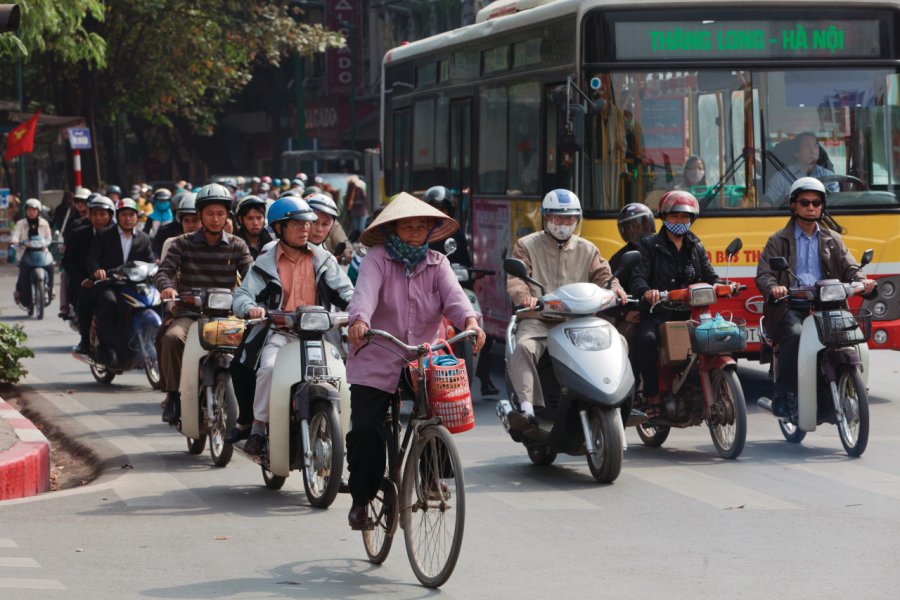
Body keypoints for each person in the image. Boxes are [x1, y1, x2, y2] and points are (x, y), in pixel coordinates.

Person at [344, 192, 485, 529]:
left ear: (429, 230)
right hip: (378, 353)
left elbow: (455, 299)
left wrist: (470, 321)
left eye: (420, 227)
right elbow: (364, 295)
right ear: (393, 230)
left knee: (440, 409)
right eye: (406, 227)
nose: (414, 233)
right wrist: (360, 321)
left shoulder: (438, 263)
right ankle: (361, 499)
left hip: (423, 357)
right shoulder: (376, 259)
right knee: (366, 429)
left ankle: (432, 476)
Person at [230, 196, 354, 454]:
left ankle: (341, 442)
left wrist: (358, 310)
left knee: (343, 377)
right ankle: (258, 427)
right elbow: (242, 295)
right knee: (268, 369)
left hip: (319, 335)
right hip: (279, 333)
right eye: (297, 224)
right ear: (279, 228)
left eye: (307, 224)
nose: (306, 229)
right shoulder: (265, 261)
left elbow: (347, 291)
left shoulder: (324, 259)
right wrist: (250, 307)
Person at [755, 177, 876, 416]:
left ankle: (844, 386)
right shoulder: (778, 240)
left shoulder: (833, 238)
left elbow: (850, 266)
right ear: (793, 205)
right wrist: (774, 288)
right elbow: (764, 274)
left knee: (849, 337)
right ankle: (785, 395)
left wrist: (863, 281)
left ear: (822, 205)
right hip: (791, 305)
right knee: (796, 336)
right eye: (805, 202)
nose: (811, 207)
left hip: (828, 303)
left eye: (816, 202)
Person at [506, 189, 626, 425]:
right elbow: (516, 278)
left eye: (569, 218)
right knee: (523, 346)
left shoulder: (588, 249)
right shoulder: (526, 245)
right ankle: (528, 408)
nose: (563, 224)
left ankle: (616, 398)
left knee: (618, 341)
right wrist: (525, 298)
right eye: (557, 218)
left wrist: (616, 288)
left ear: (576, 220)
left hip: (579, 321)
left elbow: (604, 275)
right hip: (540, 318)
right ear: (546, 218)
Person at [155, 183, 254, 424]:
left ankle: (251, 408)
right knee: (171, 338)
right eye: (209, 213)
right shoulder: (182, 243)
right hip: (190, 313)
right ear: (199, 215)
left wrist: (256, 298)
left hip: (226, 316)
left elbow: (253, 276)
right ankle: (173, 396)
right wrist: (167, 287)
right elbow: (164, 272)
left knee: (255, 343)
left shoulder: (238, 245)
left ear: (227, 216)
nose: (215, 218)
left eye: (220, 213)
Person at [630, 190, 720, 415]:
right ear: (664, 217)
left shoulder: (696, 246)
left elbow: (710, 274)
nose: (680, 221)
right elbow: (638, 275)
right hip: (658, 312)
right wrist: (646, 291)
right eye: (674, 216)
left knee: (715, 338)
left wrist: (721, 284)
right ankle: (651, 395)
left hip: (691, 313)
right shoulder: (649, 245)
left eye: (685, 217)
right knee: (646, 339)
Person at [87, 198, 155, 365]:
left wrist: (157, 265)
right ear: (118, 216)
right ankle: (107, 348)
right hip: (110, 283)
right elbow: (92, 259)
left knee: (155, 300)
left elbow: (150, 259)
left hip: (135, 284)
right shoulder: (104, 235)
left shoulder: (144, 238)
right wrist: (97, 271)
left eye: (131, 215)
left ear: (136, 217)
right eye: (124, 215)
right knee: (109, 302)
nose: (127, 218)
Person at [64, 195, 116, 353]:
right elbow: (68, 262)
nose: (98, 218)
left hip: (114, 282)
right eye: (95, 214)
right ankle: (85, 339)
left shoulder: (117, 235)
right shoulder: (78, 234)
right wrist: (83, 280)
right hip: (85, 282)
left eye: (102, 214)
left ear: (111, 216)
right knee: (85, 298)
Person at [765, 132, 839, 204]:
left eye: (815, 146)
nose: (813, 151)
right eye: (807, 147)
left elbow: (835, 204)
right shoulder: (781, 177)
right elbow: (768, 201)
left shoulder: (830, 177)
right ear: (796, 153)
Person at [11, 198, 55, 314]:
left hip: (42, 251)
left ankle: (51, 289)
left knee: (50, 266)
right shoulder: (21, 223)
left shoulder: (44, 223)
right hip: (25, 252)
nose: (31, 212)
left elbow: (49, 238)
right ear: (26, 211)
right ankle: (20, 291)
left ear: (38, 211)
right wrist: (16, 241)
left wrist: (48, 242)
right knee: (23, 271)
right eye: (29, 209)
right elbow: (16, 235)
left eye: (34, 210)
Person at [424, 186, 472, 267]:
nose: (438, 213)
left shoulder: (456, 232)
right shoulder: (419, 231)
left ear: (449, 211)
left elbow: (465, 263)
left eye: (443, 210)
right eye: (434, 209)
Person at [306, 192, 352, 263]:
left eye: (325, 224)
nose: (319, 229)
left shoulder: (329, 260)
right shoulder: (290, 252)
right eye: (314, 222)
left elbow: (343, 241)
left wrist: (347, 253)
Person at [158, 192, 200, 263]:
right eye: (186, 221)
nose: (191, 225)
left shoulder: (214, 245)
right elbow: (165, 270)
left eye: (195, 220)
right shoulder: (171, 244)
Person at [233, 195, 273, 259]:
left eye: (259, 218)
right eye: (250, 218)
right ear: (240, 219)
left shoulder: (272, 242)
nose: (255, 223)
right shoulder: (233, 245)